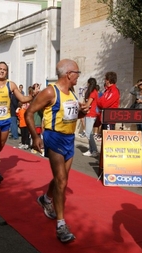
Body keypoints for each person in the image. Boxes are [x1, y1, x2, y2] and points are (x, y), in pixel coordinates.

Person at [25, 59, 89, 243]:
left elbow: (72, 115)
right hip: (54, 138)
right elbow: (29, 112)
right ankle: (61, 225)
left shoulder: (71, 93)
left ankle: (46, 198)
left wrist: (82, 112)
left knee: (61, 179)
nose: (78, 76)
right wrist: (36, 137)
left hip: (69, 139)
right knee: (61, 180)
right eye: (77, 72)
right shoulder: (49, 92)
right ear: (68, 74)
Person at [82, 77, 99, 157]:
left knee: (88, 133)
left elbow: (88, 104)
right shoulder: (92, 92)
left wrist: (82, 106)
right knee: (89, 133)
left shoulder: (93, 92)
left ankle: (94, 150)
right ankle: (91, 150)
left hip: (91, 114)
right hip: (88, 114)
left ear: (89, 84)